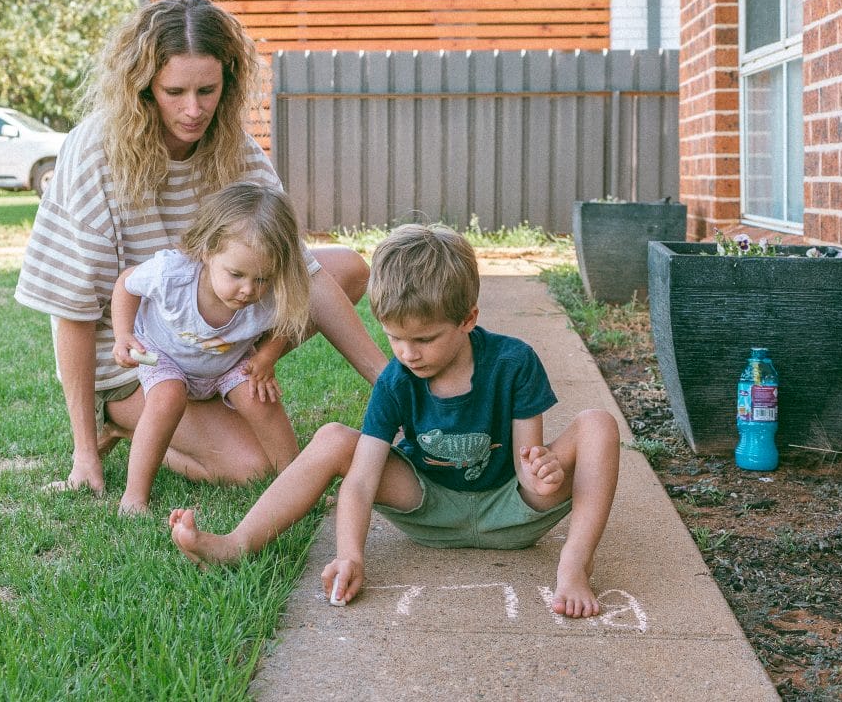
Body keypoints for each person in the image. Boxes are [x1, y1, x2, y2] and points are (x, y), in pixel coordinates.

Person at [15, 0, 387, 495]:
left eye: (207, 91)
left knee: (343, 268)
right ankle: (124, 422)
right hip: (134, 357)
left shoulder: (232, 145)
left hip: (211, 332)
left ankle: (222, 374)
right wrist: (83, 453)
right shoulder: (94, 152)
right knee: (257, 466)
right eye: (175, 92)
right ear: (143, 87)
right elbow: (71, 310)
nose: (193, 111)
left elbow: (302, 272)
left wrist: (392, 388)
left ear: (227, 82)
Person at [168, 223, 622, 618]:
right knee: (332, 438)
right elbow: (363, 481)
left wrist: (542, 472)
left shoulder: (513, 361)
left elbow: (527, 464)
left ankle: (574, 565)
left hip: (511, 508)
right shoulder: (396, 379)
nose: (407, 353)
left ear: (468, 320)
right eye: (395, 337)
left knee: (598, 423)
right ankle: (238, 542)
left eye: (424, 338)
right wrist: (350, 554)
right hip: (428, 506)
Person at [111, 181, 310, 515]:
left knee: (261, 398)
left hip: (229, 362)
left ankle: (300, 482)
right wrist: (123, 335)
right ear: (206, 250)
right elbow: (126, 284)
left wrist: (267, 355)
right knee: (166, 398)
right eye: (236, 274)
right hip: (166, 357)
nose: (248, 289)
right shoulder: (171, 274)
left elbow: (286, 323)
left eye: (261, 279)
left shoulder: (271, 293)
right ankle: (134, 496)